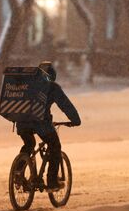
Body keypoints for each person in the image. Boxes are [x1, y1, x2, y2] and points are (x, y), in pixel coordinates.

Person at [16, 61, 81, 191]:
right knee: (55, 146)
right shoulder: (52, 87)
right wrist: (75, 120)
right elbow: (65, 105)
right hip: (40, 123)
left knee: (29, 144)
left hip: (22, 122)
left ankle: (18, 171)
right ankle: (52, 182)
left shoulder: (27, 85)